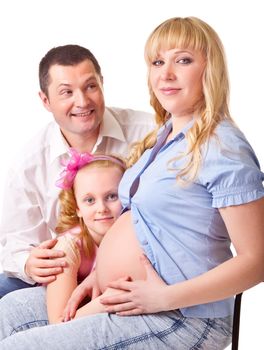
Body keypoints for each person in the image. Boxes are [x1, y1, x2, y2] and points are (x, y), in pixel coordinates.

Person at [0, 16, 264, 350]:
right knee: (6, 313)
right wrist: (97, 277)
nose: (165, 74)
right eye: (157, 62)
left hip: (181, 316)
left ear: (210, 69)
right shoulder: (165, 136)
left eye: (182, 60)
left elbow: (258, 259)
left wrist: (163, 298)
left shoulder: (223, 147)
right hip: (123, 294)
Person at [0, 44, 155, 297]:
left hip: (136, 262)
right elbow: (14, 244)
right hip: (67, 268)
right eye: (66, 92)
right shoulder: (28, 166)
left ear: (102, 84)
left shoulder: (149, 132)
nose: (82, 101)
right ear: (45, 100)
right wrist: (28, 262)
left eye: (90, 86)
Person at [46, 149, 126, 323]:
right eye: (90, 200)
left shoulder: (135, 238)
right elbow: (57, 323)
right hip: (70, 312)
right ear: (78, 209)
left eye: (112, 196)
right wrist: (104, 303)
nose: (101, 208)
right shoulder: (68, 248)